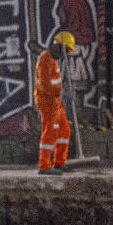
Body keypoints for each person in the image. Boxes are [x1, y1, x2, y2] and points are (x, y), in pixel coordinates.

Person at [34, 32, 73, 172]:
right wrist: (60, 93)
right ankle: (44, 166)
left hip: (55, 102)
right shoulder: (45, 58)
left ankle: (59, 162)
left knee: (64, 130)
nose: (66, 54)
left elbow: (55, 83)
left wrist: (62, 94)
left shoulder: (53, 59)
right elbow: (45, 84)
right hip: (47, 102)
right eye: (66, 50)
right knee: (50, 132)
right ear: (59, 46)